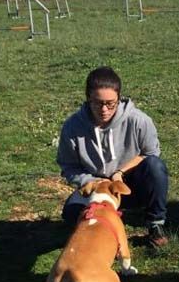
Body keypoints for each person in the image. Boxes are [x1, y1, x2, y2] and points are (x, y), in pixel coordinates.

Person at [57, 66, 169, 247]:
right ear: (88, 99)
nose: (104, 110)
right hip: (96, 188)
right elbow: (68, 165)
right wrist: (91, 182)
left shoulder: (139, 120)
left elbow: (151, 153)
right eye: (97, 103)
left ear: (119, 98)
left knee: (156, 166)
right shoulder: (72, 127)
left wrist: (120, 172)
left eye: (110, 103)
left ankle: (155, 224)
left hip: (127, 185)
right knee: (71, 216)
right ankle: (105, 225)